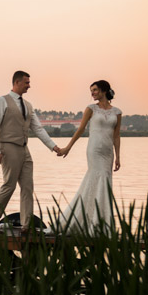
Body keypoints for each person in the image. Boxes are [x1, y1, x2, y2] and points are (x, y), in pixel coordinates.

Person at [0, 71, 61, 233]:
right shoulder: (2, 101)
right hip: (8, 147)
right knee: (9, 185)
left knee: (27, 186)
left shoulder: (28, 105)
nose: (29, 85)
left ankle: (27, 225)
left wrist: (53, 147)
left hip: (24, 149)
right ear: (17, 82)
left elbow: (38, 128)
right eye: (27, 83)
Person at [57, 80, 122, 234]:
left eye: (95, 90)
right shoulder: (91, 109)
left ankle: (101, 224)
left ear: (104, 90)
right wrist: (68, 148)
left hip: (108, 153)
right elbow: (80, 130)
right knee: (95, 179)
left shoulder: (117, 112)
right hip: (94, 150)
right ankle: (88, 223)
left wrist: (118, 156)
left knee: (105, 183)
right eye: (91, 91)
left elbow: (117, 135)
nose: (92, 93)